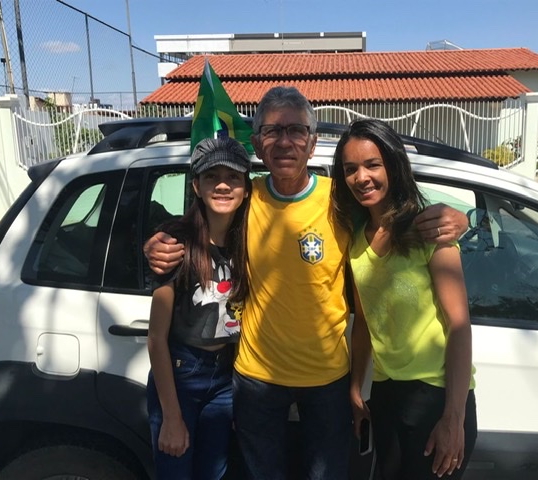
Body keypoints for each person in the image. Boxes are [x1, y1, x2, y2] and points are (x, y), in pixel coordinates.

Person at [144, 86, 469, 480]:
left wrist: (459, 219)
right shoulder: (245, 198)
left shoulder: (343, 202)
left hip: (328, 382)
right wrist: (158, 243)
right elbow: (202, 221)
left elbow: (394, 213)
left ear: (313, 144)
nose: (285, 142)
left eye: (296, 130)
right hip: (256, 380)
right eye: (271, 131)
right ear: (257, 145)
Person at [331, 118, 477, 480]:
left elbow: (459, 324)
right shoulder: (356, 240)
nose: (361, 177)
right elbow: (364, 323)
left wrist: (453, 417)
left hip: (436, 397)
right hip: (386, 396)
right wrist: (355, 389)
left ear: (393, 165)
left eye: (372, 165)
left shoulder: (429, 229)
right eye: (350, 169)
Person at [146, 137, 251, 480]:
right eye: (211, 177)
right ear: (196, 186)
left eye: (233, 177)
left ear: (246, 188)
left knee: (215, 473)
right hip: (181, 375)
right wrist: (171, 417)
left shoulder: (250, 241)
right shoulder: (175, 243)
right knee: (175, 468)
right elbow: (156, 338)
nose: (222, 185)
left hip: (226, 378)